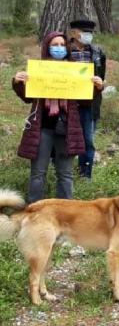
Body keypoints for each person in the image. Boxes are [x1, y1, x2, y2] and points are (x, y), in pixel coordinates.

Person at [12, 32, 99, 202]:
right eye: (54, 45)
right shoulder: (39, 69)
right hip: (42, 128)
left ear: (67, 47)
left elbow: (86, 102)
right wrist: (18, 82)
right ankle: (34, 211)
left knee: (65, 174)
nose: (58, 48)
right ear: (47, 47)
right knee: (38, 173)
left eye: (61, 45)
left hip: (67, 129)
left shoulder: (76, 71)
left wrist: (96, 87)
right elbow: (27, 97)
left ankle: (66, 213)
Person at [67, 18, 106, 179]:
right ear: (74, 33)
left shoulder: (97, 53)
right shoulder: (64, 50)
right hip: (67, 102)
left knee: (88, 141)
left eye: (90, 33)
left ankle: (85, 174)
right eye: (85, 32)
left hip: (89, 104)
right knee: (62, 139)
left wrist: (100, 84)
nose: (88, 35)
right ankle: (61, 172)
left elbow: (101, 76)